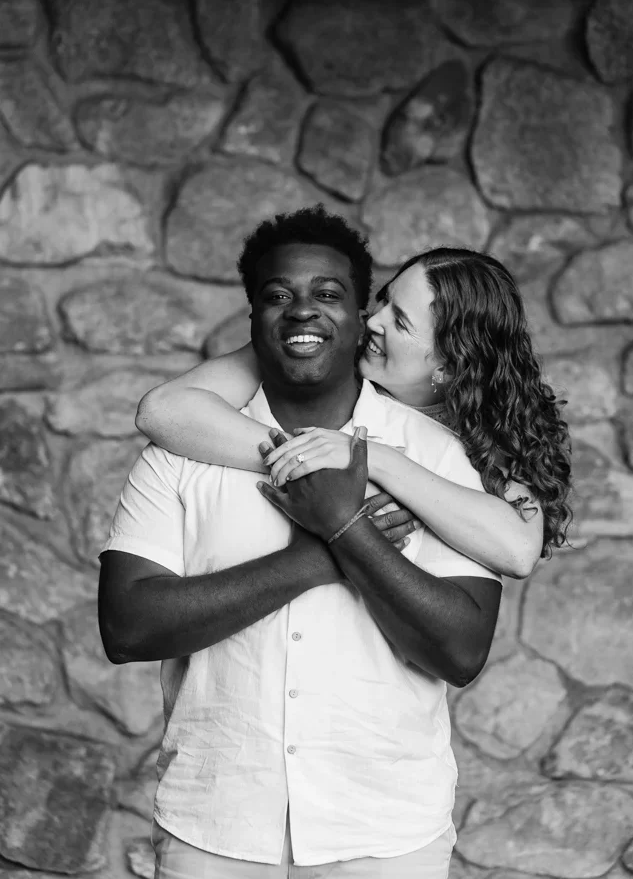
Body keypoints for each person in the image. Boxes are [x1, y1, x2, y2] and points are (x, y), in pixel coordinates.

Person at [98, 205, 502, 879]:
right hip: (213, 830)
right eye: (278, 295)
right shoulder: (179, 454)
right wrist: (322, 552)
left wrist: (345, 529)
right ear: (253, 317)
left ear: (362, 320)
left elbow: (461, 651)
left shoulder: (435, 459)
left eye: (328, 293)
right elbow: (127, 627)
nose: (303, 310)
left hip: (387, 837)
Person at [136, 214, 572, 578]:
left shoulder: (490, 431)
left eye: (400, 322)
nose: (373, 320)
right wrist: (309, 459)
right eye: (384, 301)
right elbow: (162, 411)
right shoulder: (324, 345)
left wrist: (368, 459)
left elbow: (518, 551)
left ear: (449, 365)